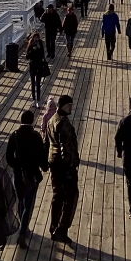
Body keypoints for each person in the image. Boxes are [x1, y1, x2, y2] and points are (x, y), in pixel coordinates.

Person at [6, 110, 49, 248]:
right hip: (32, 175)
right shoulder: (36, 136)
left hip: (18, 175)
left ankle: (22, 227)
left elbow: (8, 156)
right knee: (28, 204)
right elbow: (41, 155)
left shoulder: (14, 135)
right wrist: (44, 166)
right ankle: (23, 232)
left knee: (21, 201)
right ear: (32, 121)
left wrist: (17, 167)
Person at [47, 95, 80, 245]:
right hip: (64, 165)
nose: (71, 108)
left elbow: (46, 143)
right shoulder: (63, 124)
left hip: (53, 163)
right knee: (71, 196)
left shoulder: (51, 120)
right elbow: (64, 148)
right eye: (69, 106)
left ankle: (53, 226)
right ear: (62, 106)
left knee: (57, 196)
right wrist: (70, 166)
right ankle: (62, 229)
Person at [26, 32, 49, 107]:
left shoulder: (41, 44)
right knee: (33, 84)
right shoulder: (30, 44)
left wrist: (38, 48)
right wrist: (32, 49)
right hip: (32, 66)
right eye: (35, 37)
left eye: (37, 37)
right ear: (33, 38)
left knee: (38, 84)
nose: (36, 39)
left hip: (39, 66)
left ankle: (38, 100)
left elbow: (42, 55)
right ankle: (33, 99)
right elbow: (27, 56)